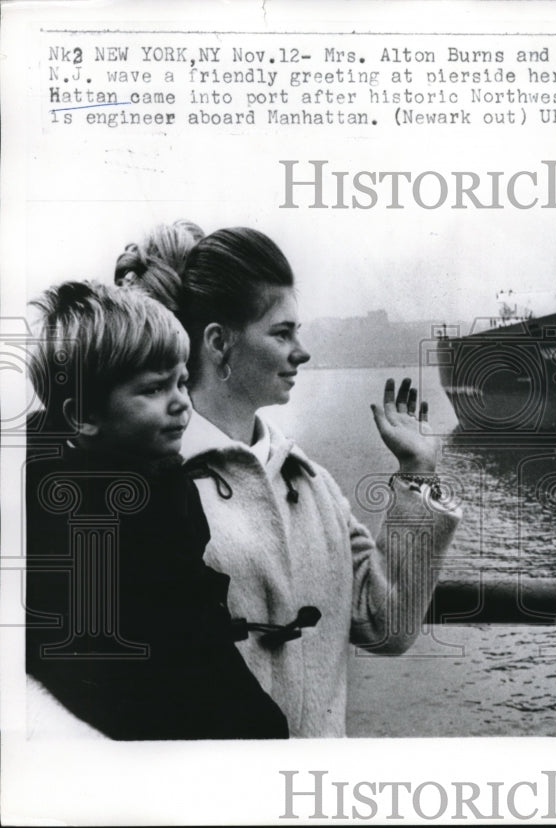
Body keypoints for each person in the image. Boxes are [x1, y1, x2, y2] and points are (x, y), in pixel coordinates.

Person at [122, 224, 460, 737]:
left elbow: (385, 624)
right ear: (219, 343)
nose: (302, 351)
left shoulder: (311, 483)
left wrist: (416, 475)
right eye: (282, 333)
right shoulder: (148, 489)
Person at [24, 280, 289, 740]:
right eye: (152, 389)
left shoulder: (155, 485)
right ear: (82, 415)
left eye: (182, 380)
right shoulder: (103, 522)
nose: (181, 403)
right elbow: (170, 663)